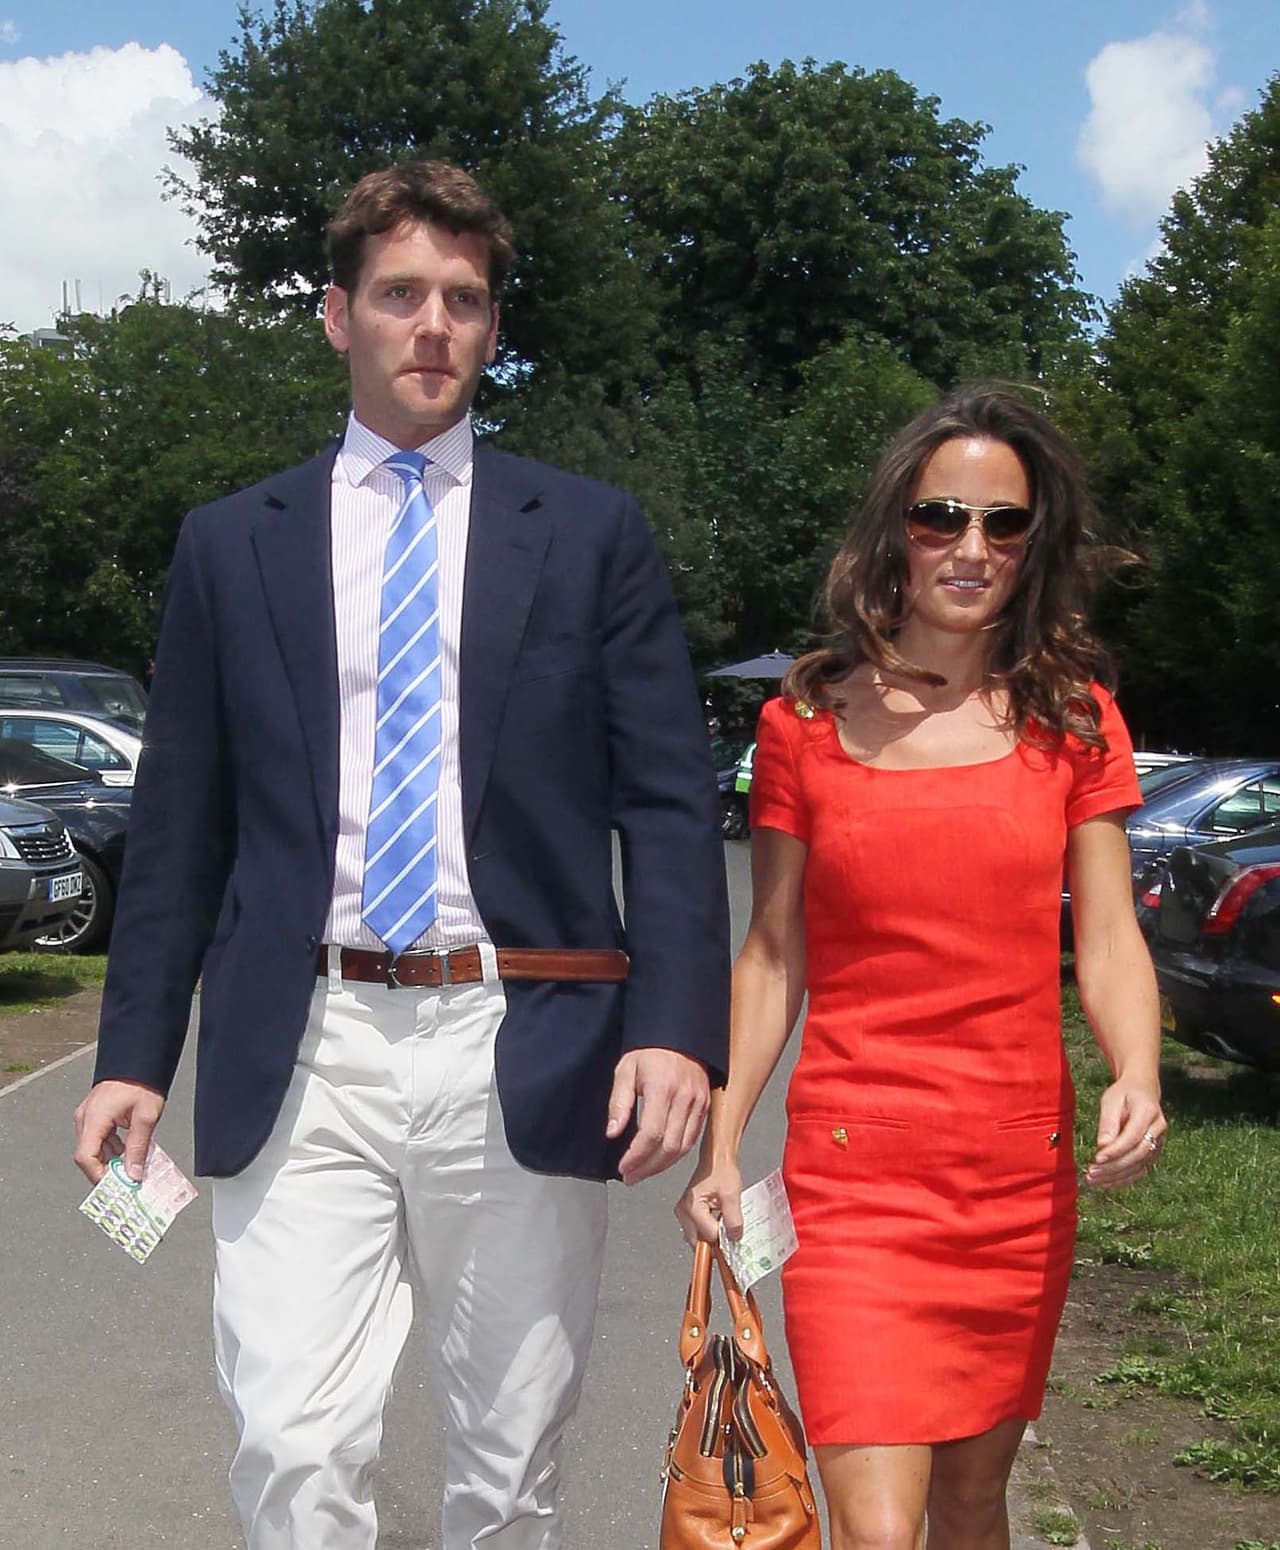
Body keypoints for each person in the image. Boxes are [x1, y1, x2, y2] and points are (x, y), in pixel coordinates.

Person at [73, 159, 730, 1550]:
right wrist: (132, 1053)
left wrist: (675, 1028)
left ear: (492, 329)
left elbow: (671, 803)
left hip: (522, 1036)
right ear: (336, 317)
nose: (433, 324)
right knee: (293, 1443)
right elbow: (180, 822)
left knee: (505, 1465)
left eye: (464, 300)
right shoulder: (228, 545)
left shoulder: (590, 535)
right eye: (400, 295)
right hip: (299, 1041)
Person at [677, 383, 1166, 1550]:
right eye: (941, 515)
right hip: (854, 1174)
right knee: (877, 1526)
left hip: (1011, 1173)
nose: (970, 546)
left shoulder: (1076, 720)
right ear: (893, 526)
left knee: (967, 1504)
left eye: (1004, 523)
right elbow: (770, 950)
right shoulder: (803, 719)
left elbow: (1103, 936)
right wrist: (719, 1136)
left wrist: (1134, 1072)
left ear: (1034, 544)